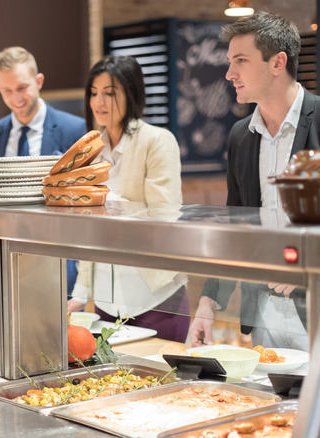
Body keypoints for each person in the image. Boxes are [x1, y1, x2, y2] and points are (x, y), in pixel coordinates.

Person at [188, 12, 320, 350]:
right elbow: (238, 224)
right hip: (262, 315)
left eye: (241, 61)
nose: (229, 73)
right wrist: (209, 302)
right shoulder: (240, 135)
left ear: (278, 63)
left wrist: (310, 259)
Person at [0, 46, 86, 297]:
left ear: (38, 81)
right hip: (1, 263)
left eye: (22, 88)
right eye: (7, 91)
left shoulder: (73, 129)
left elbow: (84, 205)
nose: (16, 98)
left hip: (56, 262)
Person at [66, 55, 189, 342]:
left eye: (110, 93)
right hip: (106, 302)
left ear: (131, 93)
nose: (99, 102)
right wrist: (81, 292)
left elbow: (164, 217)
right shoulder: (91, 149)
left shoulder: (158, 141)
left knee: (163, 381)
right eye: (94, 93)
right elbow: (88, 231)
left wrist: (104, 202)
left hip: (156, 297)